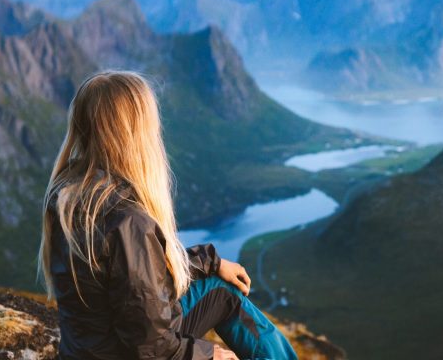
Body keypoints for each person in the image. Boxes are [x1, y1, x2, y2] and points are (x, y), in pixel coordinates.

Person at [38, 71, 298, 360]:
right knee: (226, 295)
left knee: (219, 288)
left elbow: (137, 278)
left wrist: (210, 262)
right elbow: (151, 348)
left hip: (87, 351)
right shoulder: (128, 221)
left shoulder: (69, 195)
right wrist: (211, 355)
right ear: (134, 137)